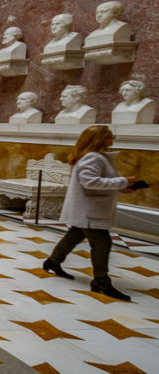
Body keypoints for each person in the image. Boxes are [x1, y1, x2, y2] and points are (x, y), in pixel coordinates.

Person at [43, 125, 141, 301]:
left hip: (90, 207)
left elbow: (98, 181)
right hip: (89, 209)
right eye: (110, 137)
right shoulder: (93, 158)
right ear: (100, 139)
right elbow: (90, 182)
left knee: (74, 235)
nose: (112, 140)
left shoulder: (96, 157)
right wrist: (122, 181)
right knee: (102, 243)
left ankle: (53, 261)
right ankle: (101, 281)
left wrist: (121, 187)